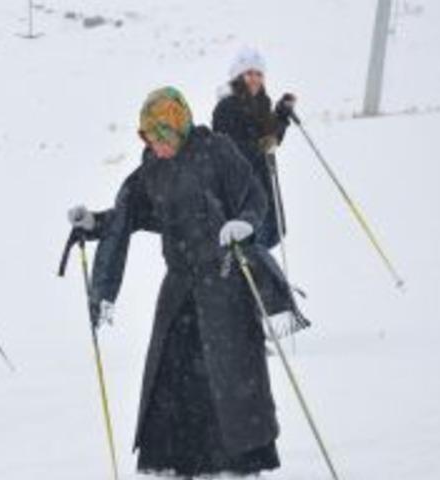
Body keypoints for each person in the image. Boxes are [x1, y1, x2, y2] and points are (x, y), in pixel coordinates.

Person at [68, 87, 306, 479]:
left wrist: (243, 224)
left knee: (229, 386)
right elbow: (130, 215)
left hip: (225, 287)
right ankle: (178, 464)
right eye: (148, 138)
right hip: (179, 295)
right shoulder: (153, 170)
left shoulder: (217, 152)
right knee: (171, 383)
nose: (155, 146)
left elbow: (255, 198)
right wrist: (93, 224)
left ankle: (233, 467)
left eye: (160, 137)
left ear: (177, 126)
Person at [212, 46, 297, 250]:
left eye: (259, 74)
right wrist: (261, 147)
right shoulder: (227, 107)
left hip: (261, 185)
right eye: (249, 73)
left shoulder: (260, 104)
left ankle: (261, 281)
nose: (255, 79)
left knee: (262, 243)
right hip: (240, 192)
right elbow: (229, 150)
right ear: (238, 76)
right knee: (249, 246)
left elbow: (270, 139)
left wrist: (281, 115)